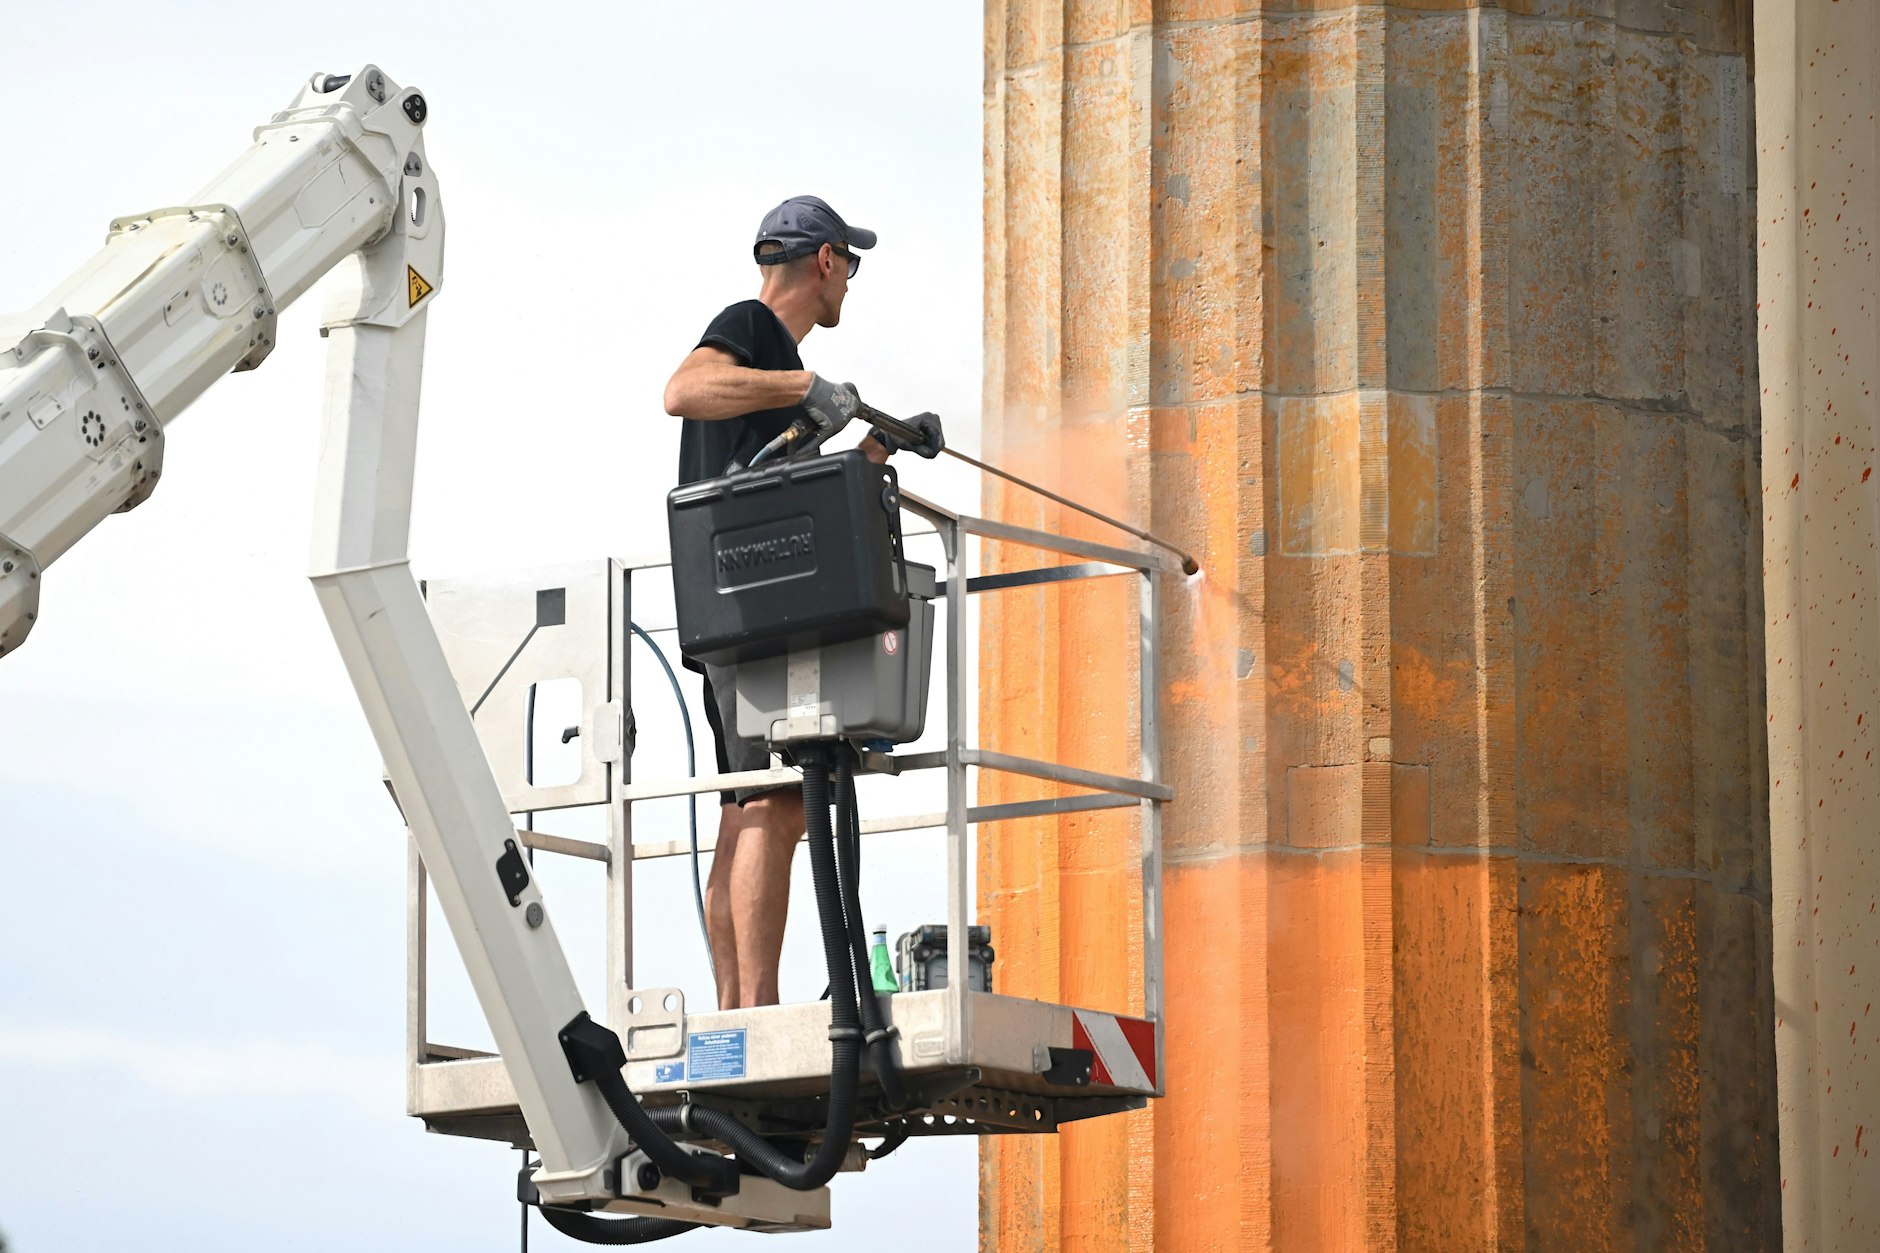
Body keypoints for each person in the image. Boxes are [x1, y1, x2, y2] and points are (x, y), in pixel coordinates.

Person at [662, 195, 941, 1010]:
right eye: (848, 265)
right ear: (824, 261)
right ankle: (752, 1012)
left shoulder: (775, 378)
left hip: (741, 603)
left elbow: (782, 476)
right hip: (749, 605)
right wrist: (805, 382)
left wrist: (877, 448)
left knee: (745, 805)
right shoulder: (752, 330)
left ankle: (736, 1005)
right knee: (777, 806)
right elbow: (682, 390)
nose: (851, 282)